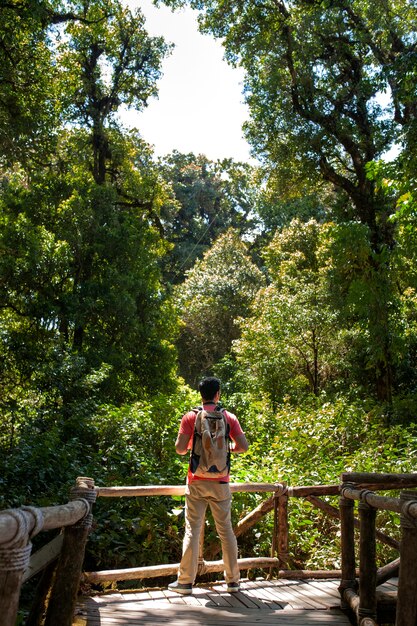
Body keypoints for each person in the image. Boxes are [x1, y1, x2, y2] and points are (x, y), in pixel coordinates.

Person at [168, 376, 249, 595]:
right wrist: (224, 449)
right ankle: (233, 582)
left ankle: (185, 582)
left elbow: (179, 449)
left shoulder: (190, 417)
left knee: (192, 530)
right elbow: (243, 446)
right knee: (226, 531)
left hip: (196, 481)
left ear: (200, 394)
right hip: (221, 482)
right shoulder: (228, 417)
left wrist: (196, 447)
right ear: (218, 394)